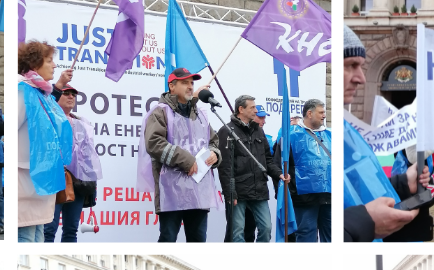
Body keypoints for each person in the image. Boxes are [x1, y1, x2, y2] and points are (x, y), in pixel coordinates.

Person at [342, 26, 431, 241]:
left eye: (362, 67)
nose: (361, 79)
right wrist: (364, 221)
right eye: (350, 66)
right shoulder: (342, 129)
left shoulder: (347, 131)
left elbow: (356, 191)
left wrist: (403, 183)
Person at [142, 67, 221, 242]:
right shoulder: (160, 111)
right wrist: (186, 160)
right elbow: (154, 143)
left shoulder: (200, 114)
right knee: (168, 238)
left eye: (192, 83)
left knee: (198, 240)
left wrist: (215, 154)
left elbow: (213, 141)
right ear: (172, 86)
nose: (190, 87)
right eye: (185, 83)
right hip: (171, 191)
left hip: (198, 191)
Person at [15, 41, 70, 242]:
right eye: (49, 60)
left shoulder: (41, 92)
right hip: (25, 178)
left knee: (38, 236)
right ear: (35, 64)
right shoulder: (22, 90)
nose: (54, 65)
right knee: (26, 236)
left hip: (39, 181)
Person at [217, 95, 283, 242]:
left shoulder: (259, 131)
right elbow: (225, 167)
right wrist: (230, 193)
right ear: (241, 109)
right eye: (252, 107)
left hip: (259, 190)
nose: (255, 110)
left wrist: (279, 174)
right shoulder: (227, 131)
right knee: (237, 232)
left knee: (266, 228)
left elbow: (267, 159)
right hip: (238, 192)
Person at [43, 84, 98, 242]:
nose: (71, 96)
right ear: (56, 95)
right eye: (66, 93)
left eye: (74, 94)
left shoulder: (83, 122)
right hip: (55, 180)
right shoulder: (49, 117)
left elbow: (89, 155)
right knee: (49, 229)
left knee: (71, 230)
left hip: (77, 181)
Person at [284, 99, 331, 241]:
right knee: (306, 235)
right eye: (321, 112)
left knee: (331, 235)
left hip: (329, 196)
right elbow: (281, 164)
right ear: (309, 113)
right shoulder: (291, 135)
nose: (324, 115)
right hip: (304, 198)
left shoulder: (331, 135)